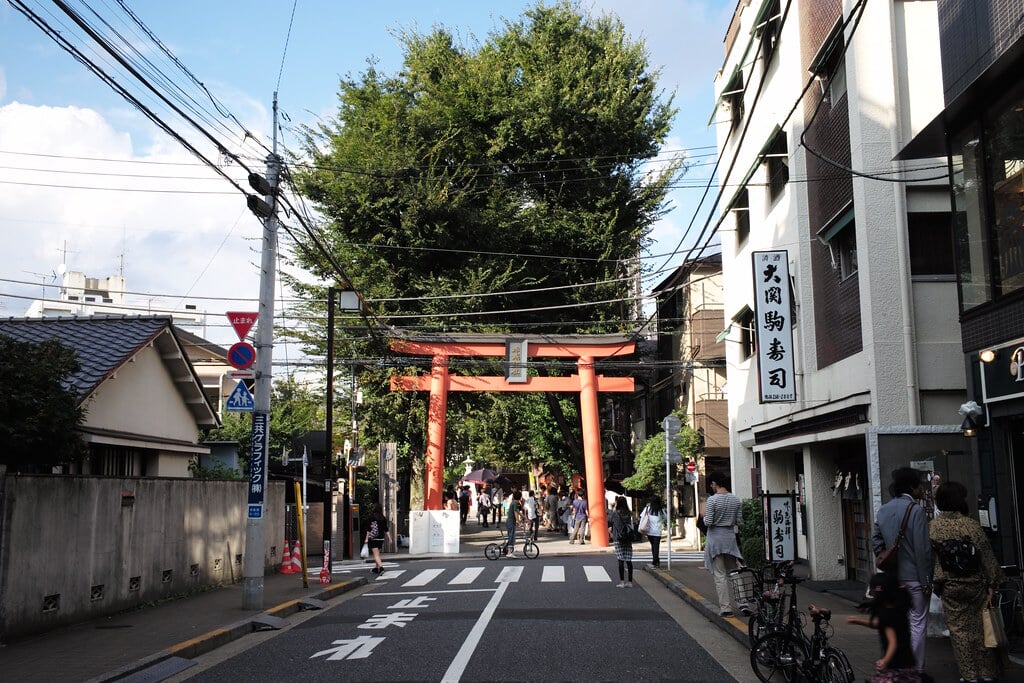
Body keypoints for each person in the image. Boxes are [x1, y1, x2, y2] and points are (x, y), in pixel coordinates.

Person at [930, 482, 1003, 683]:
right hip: (975, 583)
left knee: (958, 630)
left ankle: (969, 674)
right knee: (981, 627)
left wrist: (933, 582)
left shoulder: (934, 526)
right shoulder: (971, 525)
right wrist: (993, 582)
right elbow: (986, 555)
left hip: (950, 584)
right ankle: (986, 672)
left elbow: (930, 557)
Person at [872, 466, 931, 674]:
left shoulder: (884, 510)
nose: (922, 488)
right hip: (914, 577)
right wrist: (926, 581)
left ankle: (896, 665)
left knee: (898, 623)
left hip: (893, 578)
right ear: (912, 487)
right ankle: (915, 669)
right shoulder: (916, 511)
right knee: (917, 623)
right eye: (920, 485)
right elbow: (922, 550)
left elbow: (876, 540)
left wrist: (886, 557)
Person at [847, 571, 922, 680]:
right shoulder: (898, 610)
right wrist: (859, 621)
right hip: (908, 663)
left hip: (895, 666)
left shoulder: (886, 614)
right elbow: (881, 625)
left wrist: (885, 660)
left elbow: (893, 642)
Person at [703, 471, 747, 616]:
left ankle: (726, 608)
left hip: (715, 539)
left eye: (711, 484)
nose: (711, 487)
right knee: (734, 572)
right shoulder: (736, 499)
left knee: (720, 575)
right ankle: (743, 603)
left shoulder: (712, 500)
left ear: (715, 483)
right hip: (730, 539)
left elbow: (709, 522)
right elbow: (739, 521)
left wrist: (704, 518)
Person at [609, 495, 635, 587]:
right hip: (628, 538)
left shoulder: (615, 513)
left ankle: (622, 582)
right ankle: (630, 582)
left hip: (618, 538)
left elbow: (610, 521)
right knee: (628, 560)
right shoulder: (629, 513)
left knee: (620, 559)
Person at [364, 504, 391, 576]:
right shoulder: (383, 518)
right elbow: (386, 529)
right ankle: (376, 568)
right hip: (381, 538)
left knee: (376, 555)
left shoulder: (371, 518)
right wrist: (389, 538)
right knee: (378, 555)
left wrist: (366, 538)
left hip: (374, 538)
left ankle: (381, 568)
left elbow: (368, 529)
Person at [639, 496, 665, 567]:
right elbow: (665, 517)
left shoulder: (647, 509)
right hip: (657, 532)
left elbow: (642, 517)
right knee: (656, 547)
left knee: (653, 546)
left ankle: (655, 560)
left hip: (649, 531)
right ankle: (656, 560)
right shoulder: (660, 510)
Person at [505, 490, 523, 556]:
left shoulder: (514, 502)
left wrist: (525, 518)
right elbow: (516, 513)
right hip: (511, 522)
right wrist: (518, 521)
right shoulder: (515, 503)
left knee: (512, 537)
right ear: (520, 497)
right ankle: (509, 552)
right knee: (511, 536)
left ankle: (506, 550)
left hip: (510, 521)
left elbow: (518, 512)